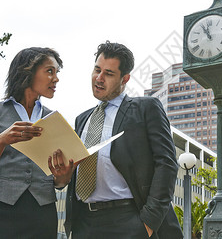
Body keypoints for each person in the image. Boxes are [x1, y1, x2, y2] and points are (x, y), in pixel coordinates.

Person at [58, 41, 182, 239]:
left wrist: (148, 223)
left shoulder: (145, 108)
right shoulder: (82, 119)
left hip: (128, 220)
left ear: (125, 78)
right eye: (97, 70)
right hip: (84, 223)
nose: (99, 78)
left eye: (108, 73)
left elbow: (166, 163)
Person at [0, 47, 74, 239]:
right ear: (28, 71)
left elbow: (59, 183)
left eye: (57, 72)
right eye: (50, 71)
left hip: (42, 216)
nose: (56, 78)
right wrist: (1, 141)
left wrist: (63, 177)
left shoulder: (54, 120)